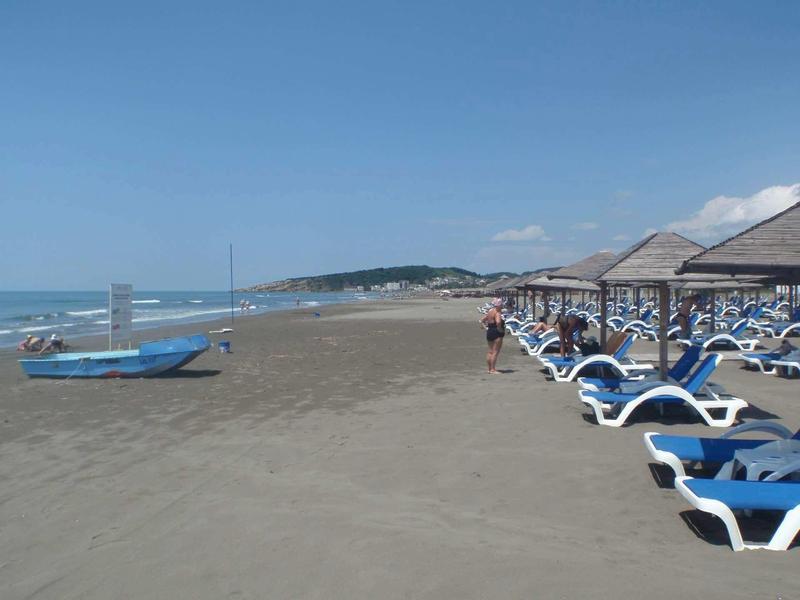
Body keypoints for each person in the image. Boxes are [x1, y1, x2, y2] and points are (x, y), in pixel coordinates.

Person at [480, 298, 506, 374]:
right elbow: (498, 322)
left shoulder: (490, 311)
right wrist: (500, 329)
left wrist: (483, 326)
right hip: (496, 332)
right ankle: (493, 369)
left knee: (490, 351)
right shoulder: (497, 313)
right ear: (499, 305)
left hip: (490, 331)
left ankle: (489, 369)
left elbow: (482, 320)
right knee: (495, 352)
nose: (502, 306)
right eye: (501, 305)